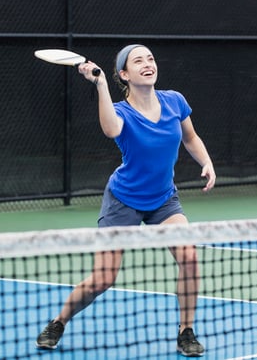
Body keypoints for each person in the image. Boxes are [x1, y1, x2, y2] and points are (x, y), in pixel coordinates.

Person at [35, 44, 216, 357]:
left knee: (189, 258)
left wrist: (206, 161)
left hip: (163, 199)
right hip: (124, 201)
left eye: (150, 58)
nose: (147, 64)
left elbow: (190, 137)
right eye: (138, 61)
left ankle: (186, 331)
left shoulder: (175, 101)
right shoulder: (121, 112)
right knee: (104, 278)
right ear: (124, 74)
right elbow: (109, 129)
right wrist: (100, 83)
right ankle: (59, 321)